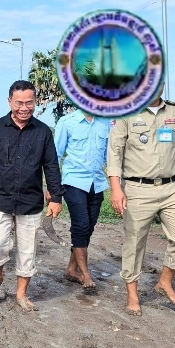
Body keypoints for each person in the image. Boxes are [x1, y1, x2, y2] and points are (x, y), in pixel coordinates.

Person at [0, 80, 63, 311]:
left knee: (27, 251)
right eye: (19, 103)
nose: (24, 108)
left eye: (29, 103)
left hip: (30, 202)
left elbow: (51, 165)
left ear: (35, 102)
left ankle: (21, 293)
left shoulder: (42, 132)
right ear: (9, 101)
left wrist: (56, 198)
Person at [105, 92, 175, 315]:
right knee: (134, 243)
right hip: (138, 188)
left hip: (172, 187)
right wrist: (116, 189)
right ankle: (132, 294)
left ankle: (164, 282)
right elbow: (114, 153)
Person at [54, 106, 112, 294]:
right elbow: (54, 155)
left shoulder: (105, 124)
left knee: (89, 226)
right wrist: (52, 189)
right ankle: (85, 273)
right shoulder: (67, 122)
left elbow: (109, 157)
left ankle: (71, 269)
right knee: (81, 224)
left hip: (97, 182)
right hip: (73, 181)